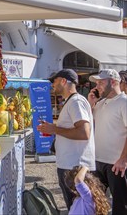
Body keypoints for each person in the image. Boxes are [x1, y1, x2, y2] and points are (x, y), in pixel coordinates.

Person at [37, 69, 95, 210]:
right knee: (75, 209)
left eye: (54, 81)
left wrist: (54, 129)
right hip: (72, 166)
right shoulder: (72, 101)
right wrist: (54, 128)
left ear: (64, 81)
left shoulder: (76, 101)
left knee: (78, 210)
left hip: (75, 168)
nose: (52, 85)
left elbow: (84, 132)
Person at [88, 69, 127, 215]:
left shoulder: (124, 102)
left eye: (101, 82)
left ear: (114, 82)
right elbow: (90, 126)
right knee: (96, 205)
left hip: (117, 165)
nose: (97, 86)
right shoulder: (100, 103)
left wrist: (123, 159)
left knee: (120, 207)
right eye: (96, 83)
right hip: (98, 162)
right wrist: (90, 104)